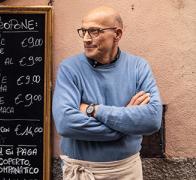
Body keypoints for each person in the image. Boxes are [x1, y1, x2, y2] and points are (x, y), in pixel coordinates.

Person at [52, 6, 162, 180]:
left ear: (117, 34)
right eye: (84, 31)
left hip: (127, 171)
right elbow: (65, 123)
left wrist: (93, 110)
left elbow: (153, 120)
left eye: (94, 31)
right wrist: (123, 126)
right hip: (83, 172)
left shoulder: (138, 67)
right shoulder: (70, 69)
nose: (86, 39)